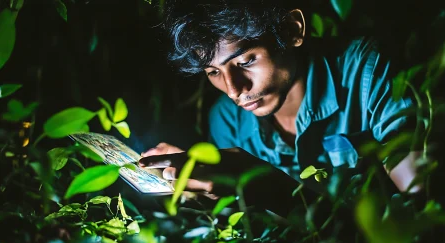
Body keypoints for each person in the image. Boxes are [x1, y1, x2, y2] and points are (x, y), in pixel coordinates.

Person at [139, 0, 421, 215]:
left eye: (246, 61)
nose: (234, 90)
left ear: (291, 30)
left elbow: (426, 219)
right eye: (213, 72)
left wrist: (273, 189)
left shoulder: (366, 72)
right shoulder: (227, 122)